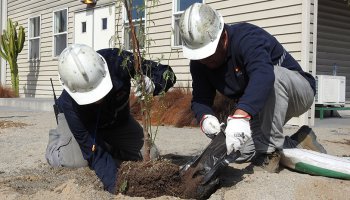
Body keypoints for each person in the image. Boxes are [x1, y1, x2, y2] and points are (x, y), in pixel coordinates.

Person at [179, 3, 326, 172]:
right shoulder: (199, 64)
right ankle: (299, 140)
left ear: (223, 37)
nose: (206, 61)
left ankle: (269, 154)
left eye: (209, 54)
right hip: (262, 104)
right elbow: (200, 99)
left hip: (298, 90)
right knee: (238, 149)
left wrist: (240, 116)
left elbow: (263, 75)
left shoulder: (247, 38)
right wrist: (205, 117)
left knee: (273, 74)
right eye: (201, 56)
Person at [45, 44, 176, 193]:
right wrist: (116, 188)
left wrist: (154, 84)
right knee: (75, 161)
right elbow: (95, 154)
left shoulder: (118, 60)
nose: (97, 100)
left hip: (117, 122)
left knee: (151, 156)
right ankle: (56, 144)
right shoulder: (70, 104)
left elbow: (168, 74)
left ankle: (110, 145)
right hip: (86, 126)